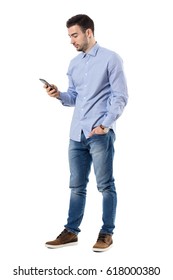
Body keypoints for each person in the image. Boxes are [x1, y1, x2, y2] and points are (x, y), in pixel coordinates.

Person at [43, 14, 128, 252]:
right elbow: (74, 97)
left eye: (74, 35)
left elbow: (120, 96)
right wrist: (58, 94)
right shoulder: (74, 64)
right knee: (76, 186)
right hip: (76, 134)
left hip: (100, 133)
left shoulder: (111, 59)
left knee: (106, 186)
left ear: (88, 32)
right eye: (69, 36)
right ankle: (71, 232)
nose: (71, 40)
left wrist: (105, 125)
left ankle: (106, 233)